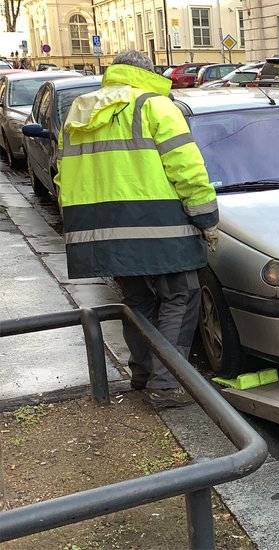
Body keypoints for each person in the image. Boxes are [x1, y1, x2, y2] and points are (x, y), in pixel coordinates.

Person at [55, 50, 219, 408]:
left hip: (102, 230)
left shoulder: (80, 110)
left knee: (137, 302)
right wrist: (206, 218)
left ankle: (142, 375)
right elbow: (188, 170)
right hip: (158, 226)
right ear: (147, 73)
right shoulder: (155, 106)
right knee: (182, 296)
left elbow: (62, 174)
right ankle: (166, 386)